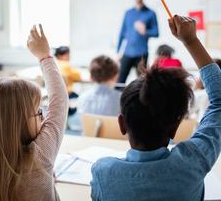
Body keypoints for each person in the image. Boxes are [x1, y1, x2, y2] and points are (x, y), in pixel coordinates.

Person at [91, 15, 221, 201]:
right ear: (175, 127)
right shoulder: (193, 161)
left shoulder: (103, 173)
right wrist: (191, 41)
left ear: (122, 123)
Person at [0, 25, 68, 201]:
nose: (43, 117)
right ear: (18, 122)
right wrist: (45, 57)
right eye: (38, 112)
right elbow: (59, 102)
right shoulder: (39, 158)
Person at [117, 0, 159, 83]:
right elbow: (122, 33)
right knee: (119, 82)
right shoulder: (128, 13)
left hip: (142, 54)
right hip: (127, 52)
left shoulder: (150, 13)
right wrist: (118, 52)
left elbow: (156, 33)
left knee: (142, 83)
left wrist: (145, 31)